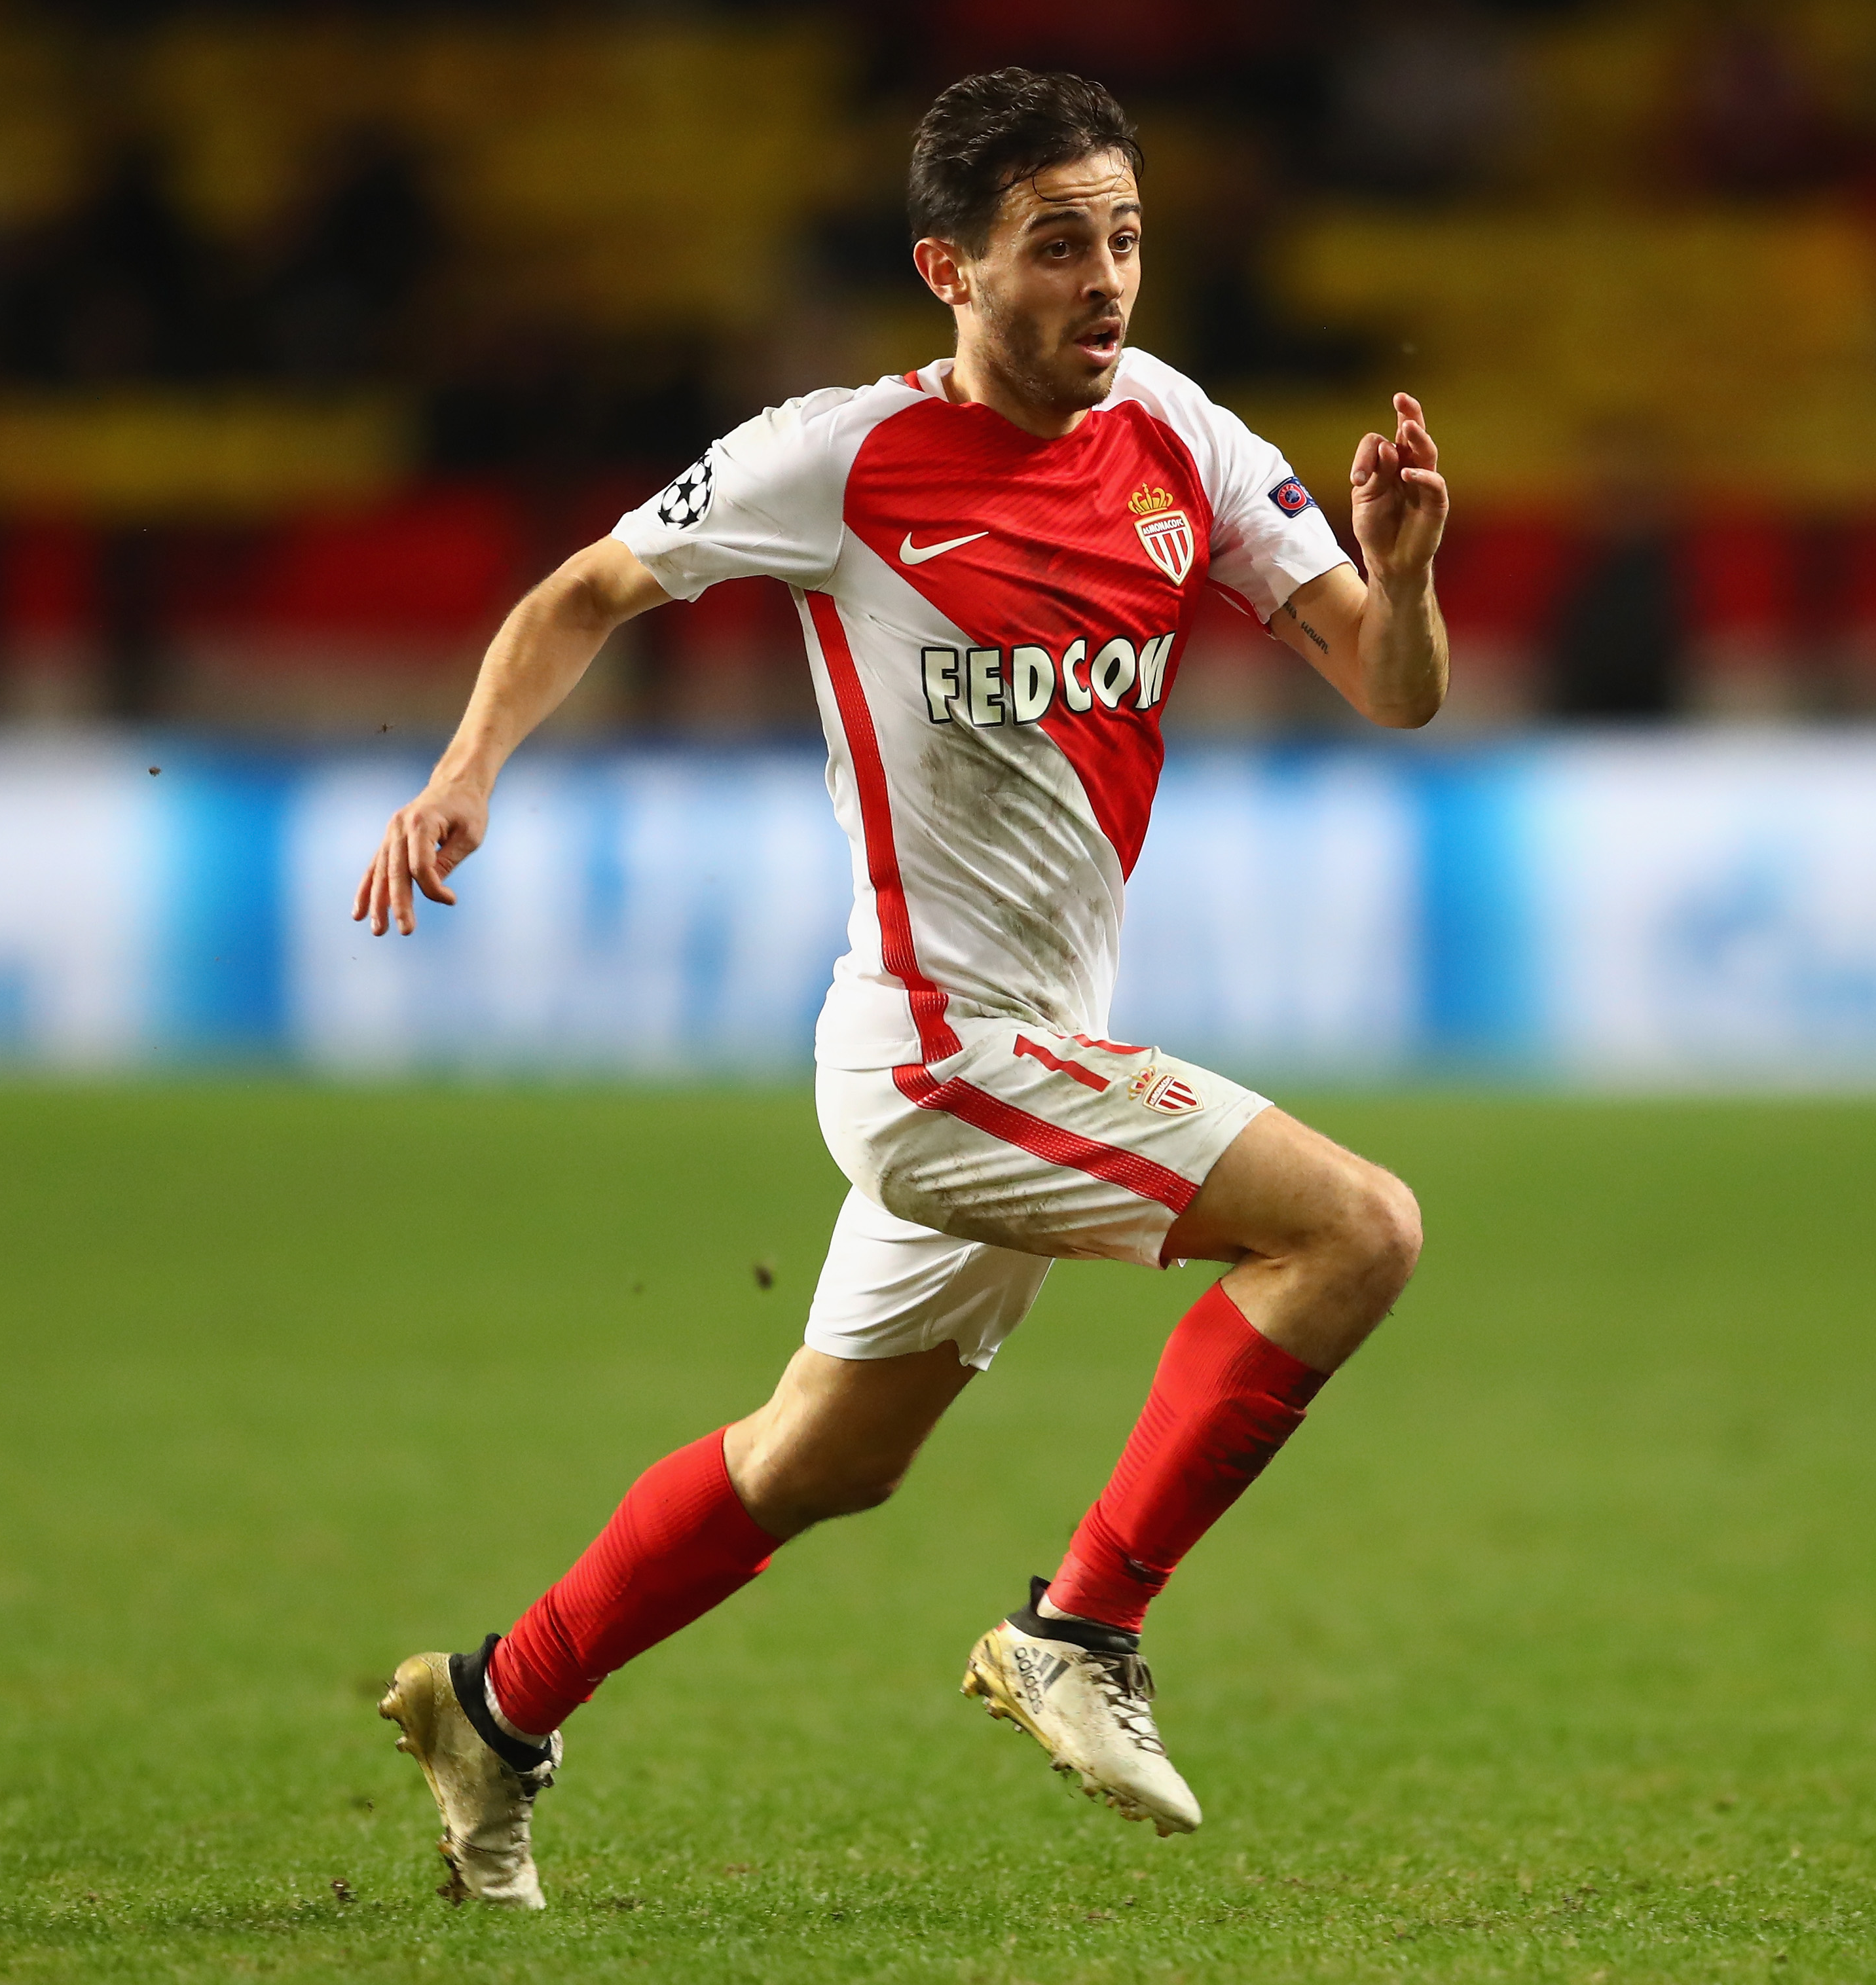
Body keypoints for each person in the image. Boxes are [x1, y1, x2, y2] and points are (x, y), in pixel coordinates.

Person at [353, 69, 1448, 1909]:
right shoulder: (836, 457)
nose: (1103, 281)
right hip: (938, 1061)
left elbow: (1393, 686)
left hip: (1038, 1052)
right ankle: (1078, 1630)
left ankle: (493, 1705)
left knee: (819, 1461)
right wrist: (462, 771)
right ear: (946, 266)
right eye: (1053, 246)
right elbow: (582, 593)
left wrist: (1406, 581)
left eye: (1125, 240)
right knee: (1357, 1230)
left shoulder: (1177, 428)